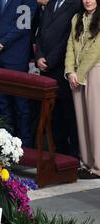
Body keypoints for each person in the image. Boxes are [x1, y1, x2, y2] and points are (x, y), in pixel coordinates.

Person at [0, 0, 38, 147]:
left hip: (16, 57)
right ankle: (5, 146)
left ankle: (25, 147)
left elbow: (22, 27)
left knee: (20, 103)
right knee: (1, 103)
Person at [35, 0, 82, 157]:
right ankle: (59, 151)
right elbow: (41, 32)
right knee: (53, 114)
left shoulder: (76, 5)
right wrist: (39, 56)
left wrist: (50, 60)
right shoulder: (51, 3)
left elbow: (68, 39)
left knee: (69, 113)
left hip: (62, 68)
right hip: (45, 67)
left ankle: (73, 154)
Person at [65, 0, 100, 179]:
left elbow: (96, 51)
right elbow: (70, 46)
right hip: (76, 75)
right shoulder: (76, 18)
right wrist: (70, 71)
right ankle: (86, 163)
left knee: (95, 121)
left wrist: (78, 73)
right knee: (82, 120)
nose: (88, 0)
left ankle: (98, 166)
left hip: (95, 72)